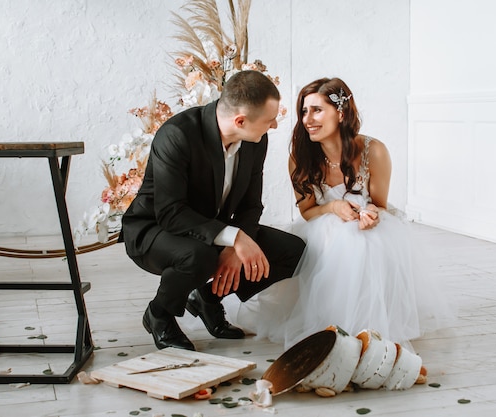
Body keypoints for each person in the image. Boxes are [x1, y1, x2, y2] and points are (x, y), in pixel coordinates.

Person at [231, 77, 456, 350]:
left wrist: (370, 213)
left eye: (317, 110)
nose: (307, 119)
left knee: (366, 241)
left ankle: (368, 323)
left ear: (340, 112)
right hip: (322, 225)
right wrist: (334, 207)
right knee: (344, 241)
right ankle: (331, 320)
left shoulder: (374, 151)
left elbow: (380, 204)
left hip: (366, 221)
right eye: (304, 111)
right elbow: (308, 211)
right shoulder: (299, 158)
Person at [120, 70, 306, 351]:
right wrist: (234, 238)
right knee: (200, 255)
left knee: (291, 251)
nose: (275, 125)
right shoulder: (177, 135)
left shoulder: (256, 140)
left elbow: (251, 205)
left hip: (211, 228)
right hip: (154, 230)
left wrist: (235, 246)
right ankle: (159, 314)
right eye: (270, 119)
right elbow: (171, 212)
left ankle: (206, 299)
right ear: (240, 121)